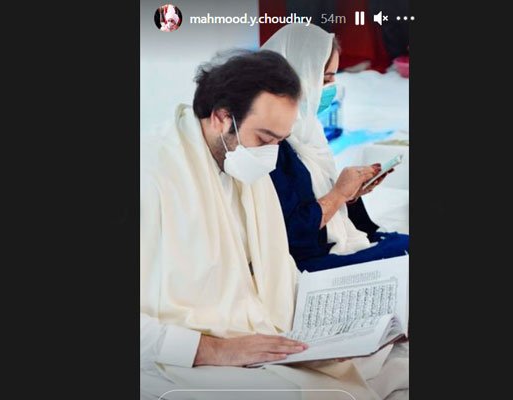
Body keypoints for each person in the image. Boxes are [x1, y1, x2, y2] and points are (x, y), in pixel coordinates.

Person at [140, 49, 409, 400]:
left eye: (279, 142)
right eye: (265, 140)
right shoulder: (151, 175)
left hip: (260, 326)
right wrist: (212, 349)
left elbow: (270, 269)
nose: (271, 154)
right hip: (186, 349)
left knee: (383, 361)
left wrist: (339, 328)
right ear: (221, 117)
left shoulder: (241, 160)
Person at [262, 24, 409, 272]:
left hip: (329, 243)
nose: (332, 87)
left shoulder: (309, 130)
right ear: (299, 74)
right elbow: (289, 234)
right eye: (326, 78)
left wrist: (350, 195)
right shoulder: (271, 141)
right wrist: (338, 194)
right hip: (307, 259)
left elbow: (314, 198)